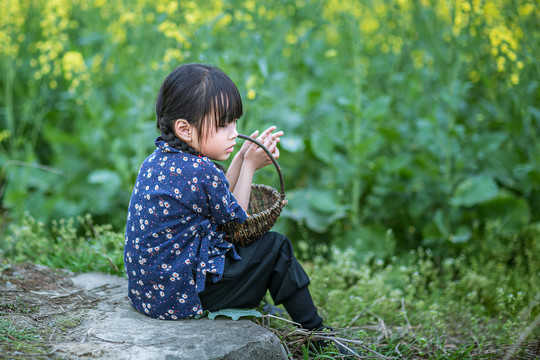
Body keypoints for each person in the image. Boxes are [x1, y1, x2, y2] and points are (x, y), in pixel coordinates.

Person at [123, 63, 324, 331]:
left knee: (244, 256)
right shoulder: (201, 170)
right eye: (223, 124)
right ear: (185, 129)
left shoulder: (159, 159)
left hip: (151, 294)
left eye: (234, 122)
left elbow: (217, 199)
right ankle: (317, 333)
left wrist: (241, 158)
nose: (233, 132)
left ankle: (254, 297)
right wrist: (251, 166)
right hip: (183, 297)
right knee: (276, 248)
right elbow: (237, 226)